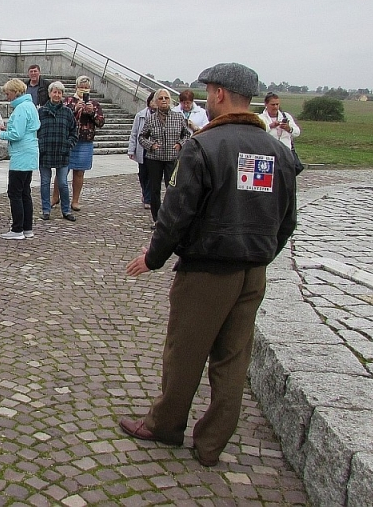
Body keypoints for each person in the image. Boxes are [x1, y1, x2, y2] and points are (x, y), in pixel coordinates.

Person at [120, 62, 297, 468]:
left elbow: (176, 213)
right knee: (233, 359)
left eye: (208, 92)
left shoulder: (204, 146)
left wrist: (154, 256)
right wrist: (262, 254)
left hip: (207, 271)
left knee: (184, 353)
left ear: (218, 94)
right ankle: (212, 443)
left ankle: (165, 426)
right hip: (254, 272)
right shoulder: (279, 153)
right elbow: (287, 220)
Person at [139, 89, 192, 223]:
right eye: (161, 98)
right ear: (156, 101)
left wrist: (180, 144)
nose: (164, 100)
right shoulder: (151, 119)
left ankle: (170, 218)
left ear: (170, 101)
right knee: (154, 189)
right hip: (154, 159)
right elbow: (141, 137)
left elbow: (187, 134)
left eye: (166, 98)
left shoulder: (178, 117)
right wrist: (151, 145)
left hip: (171, 158)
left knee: (172, 189)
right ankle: (157, 219)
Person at [0, 78, 40, 240]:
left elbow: (17, 134)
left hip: (21, 154)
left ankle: (17, 229)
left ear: (15, 92)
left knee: (15, 192)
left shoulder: (21, 108)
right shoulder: (30, 105)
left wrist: (0, 133)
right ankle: (27, 228)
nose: (7, 97)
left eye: (8, 93)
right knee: (25, 192)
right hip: (29, 153)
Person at [61, 75, 105, 211]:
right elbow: (62, 117)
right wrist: (75, 110)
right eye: (81, 87)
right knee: (62, 170)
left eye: (86, 88)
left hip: (85, 141)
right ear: (76, 87)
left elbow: (101, 123)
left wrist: (91, 113)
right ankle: (56, 197)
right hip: (68, 139)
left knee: (79, 172)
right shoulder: (68, 101)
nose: (84, 90)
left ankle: (75, 200)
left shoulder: (95, 104)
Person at [38, 81, 78, 222]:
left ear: (62, 95)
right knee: (44, 182)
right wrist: (39, 145)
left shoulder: (67, 112)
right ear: (50, 94)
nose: (57, 95)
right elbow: (35, 131)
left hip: (62, 152)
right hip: (45, 152)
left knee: (62, 183)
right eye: (54, 92)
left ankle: (66, 211)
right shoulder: (41, 112)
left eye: (59, 92)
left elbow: (74, 131)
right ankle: (46, 210)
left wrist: (69, 145)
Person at [128, 93, 155, 210]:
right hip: (142, 148)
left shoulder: (163, 115)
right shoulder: (140, 115)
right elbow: (134, 133)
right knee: (143, 174)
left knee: (152, 174)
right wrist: (131, 149)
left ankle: (148, 198)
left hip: (155, 149)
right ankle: (145, 192)